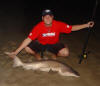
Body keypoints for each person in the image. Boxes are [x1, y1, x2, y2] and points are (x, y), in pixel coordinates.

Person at [9, 9, 94, 60]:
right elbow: (28, 39)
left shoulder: (58, 24)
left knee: (66, 53)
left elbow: (72, 28)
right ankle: (36, 54)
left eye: (49, 16)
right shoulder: (38, 27)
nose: (48, 17)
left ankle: (55, 53)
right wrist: (16, 52)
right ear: (42, 18)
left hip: (54, 44)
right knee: (26, 48)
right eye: (45, 16)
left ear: (52, 17)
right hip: (41, 43)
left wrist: (86, 25)